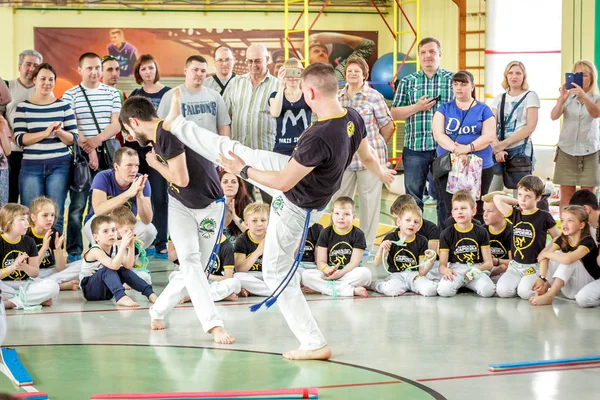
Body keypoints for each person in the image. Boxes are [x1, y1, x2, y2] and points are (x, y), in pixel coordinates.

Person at [133, 62, 395, 360]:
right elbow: (367, 154)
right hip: (299, 178)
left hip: (296, 200)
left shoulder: (318, 136)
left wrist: (242, 170)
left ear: (309, 92)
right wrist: (381, 172)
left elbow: (283, 183)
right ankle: (178, 123)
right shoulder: (352, 116)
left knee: (275, 273)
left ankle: (313, 343)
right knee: (231, 148)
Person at [119, 97, 235, 344]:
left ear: (134, 122)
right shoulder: (163, 133)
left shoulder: (166, 134)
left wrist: (153, 164)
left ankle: (158, 310)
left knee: (196, 269)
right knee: (191, 263)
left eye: (128, 130)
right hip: (181, 205)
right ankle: (214, 324)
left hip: (210, 206)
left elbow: (180, 178)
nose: (129, 137)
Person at [62, 52, 122, 262]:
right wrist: (90, 149)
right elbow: (72, 125)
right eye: (89, 68)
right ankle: (75, 251)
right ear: (80, 70)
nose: (95, 72)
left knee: (105, 205)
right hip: (81, 152)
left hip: (107, 150)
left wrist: (96, 143)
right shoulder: (70, 95)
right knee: (78, 205)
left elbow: (116, 124)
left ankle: (104, 248)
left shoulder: (112, 93)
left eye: (98, 67)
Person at [391, 38, 454, 224]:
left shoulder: (452, 80)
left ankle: (444, 241)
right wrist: (417, 107)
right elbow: (394, 113)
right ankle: (414, 239)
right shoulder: (408, 82)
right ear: (419, 56)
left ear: (440, 54)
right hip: (415, 147)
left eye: (432, 52)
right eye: (423, 52)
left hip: (444, 149)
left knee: (445, 197)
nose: (428, 56)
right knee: (413, 198)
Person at [334, 56, 393, 250]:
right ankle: (341, 242)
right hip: (344, 160)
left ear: (364, 74)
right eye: (349, 70)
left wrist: (374, 147)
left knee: (370, 204)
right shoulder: (338, 97)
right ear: (345, 74)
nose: (352, 74)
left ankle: (365, 246)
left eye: (357, 71)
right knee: (341, 201)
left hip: (370, 160)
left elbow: (387, 126)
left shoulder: (374, 97)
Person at [12, 63, 76, 233]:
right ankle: (33, 254)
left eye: (51, 79)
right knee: (30, 213)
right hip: (31, 167)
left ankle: (53, 253)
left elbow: (73, 139)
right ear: (34, 80)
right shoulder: (23, 107)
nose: (47, 83)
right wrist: (46, 132)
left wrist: (60, 132)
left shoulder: (63, 106)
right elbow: (20, 139)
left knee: (56, 213)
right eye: (43, 79)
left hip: (60, 166)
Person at [432, 70, 496, 223]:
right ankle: (449, 243)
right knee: (449, 207)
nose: (459, 88)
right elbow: (439, 135)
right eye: (456, 84)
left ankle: (477, 242)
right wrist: (457, 151)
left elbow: (488, 136)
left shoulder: (484, 110)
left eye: (463, 84)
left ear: (472, 86)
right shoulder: (443, 109)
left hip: (480, 165)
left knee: (477, 207)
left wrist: (467, 149)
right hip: (449, 164)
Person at [222, 44, 279, 203]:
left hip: (266, 157)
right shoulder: (235, 84)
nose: (253, 65)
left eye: (258, 61)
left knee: (272, 202)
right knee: (242, 203)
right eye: (250, 61)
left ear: (267, 59)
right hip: (239, 157)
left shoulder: (278, 86)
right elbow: (223, 117)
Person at [130, 54, 171, 258]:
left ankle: (161, 240)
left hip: (160, 151)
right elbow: (128, 123)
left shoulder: (168, 94)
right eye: (143, 69)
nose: (148, 72)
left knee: (159, 197)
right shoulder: (135, 94)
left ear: (156, 69)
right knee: (138, 196)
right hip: (139, 152)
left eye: (151, 68)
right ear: (138, 73)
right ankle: (141, 240)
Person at [493, 175, 560, 299]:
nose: (523, 199)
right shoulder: (514, 214)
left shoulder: (544, 216)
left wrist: (546, 251)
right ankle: (521, 283)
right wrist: (517, 202)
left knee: (524, 293)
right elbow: (497, 198)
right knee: (502, 291)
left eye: (527, 196)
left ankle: (543, 283)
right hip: (515, 266)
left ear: (538, 198)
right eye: (520, 195)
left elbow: (558, 237)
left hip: (534, 266)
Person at [83, 147, 155, 249]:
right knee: (102, 229)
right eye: (129, 165)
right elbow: (99, 211)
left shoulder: (141, 180)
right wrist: (129, 193)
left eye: (136, 165)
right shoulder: (103, 177)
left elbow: (147, 220)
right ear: (116, 166)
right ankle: (104, 255)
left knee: (149, 230)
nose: (134, 170)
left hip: (126, 224)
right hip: (101, 221)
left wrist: (140, 197)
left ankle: (129, 256)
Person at [551, 60, 600, 211]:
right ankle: (566, 232)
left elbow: (596, 113)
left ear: (592, 77)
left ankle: (590, 232)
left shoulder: (596, 97)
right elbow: (553, 116)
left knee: (588, 198)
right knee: (566, 198)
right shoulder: (567, 98)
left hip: (589, 151)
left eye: (584, 75)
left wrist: (584, 97)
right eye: (576, 74)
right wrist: (561, 99)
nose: (580, 78)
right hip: (566, 150)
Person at [79, 215, 157, 307]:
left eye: (113, 230)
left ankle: (150, 293)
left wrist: (131, 246)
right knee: (109, 269)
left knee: (123, 270)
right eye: (105, 231)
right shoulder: (95, 250)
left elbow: (128, 265)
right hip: (89, 290)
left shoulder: (115, 248)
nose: (111, 234)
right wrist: (123, 246)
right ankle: (121, 297)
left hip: (106, 290)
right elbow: (113, 266)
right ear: (96, 237)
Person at [530, 205, 600, 306]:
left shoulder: (587, 241)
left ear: (581, 225)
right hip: (570, 289)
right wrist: (542, 278)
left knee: (568, 259)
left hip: (586, 284)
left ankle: (550, 295)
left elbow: (568, 259)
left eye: (570, 221)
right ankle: (546, 287)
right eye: (562, 220)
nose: (564, 224)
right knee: (556, 255)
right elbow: (542, 257)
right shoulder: (563, 239)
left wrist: (546, 253)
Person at [301, 197, 371, 297]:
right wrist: (327, 269)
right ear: (332, 215)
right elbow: (320, 261)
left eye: (346, 214)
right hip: (328, 273)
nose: (341, 217)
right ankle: (350, 291)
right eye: (337, 213)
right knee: (305, 276)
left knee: (365, 274)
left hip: (348, 272)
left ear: (354, 216)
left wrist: (339, 274)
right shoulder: (325, 233)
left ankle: (323, 288)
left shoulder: (358, 234)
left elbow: (354, 262)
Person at [489, 61, 540, 193]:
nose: (514, 76)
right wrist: (497, 148)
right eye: (510, 73)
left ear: (524, 76)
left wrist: (504, 144)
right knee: (492, 194)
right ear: (506, 76)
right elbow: (490, 125)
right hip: (498, 150)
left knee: (522, 195)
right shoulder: (500, 98)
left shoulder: (530, 96)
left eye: (518, 73)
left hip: (520, 150)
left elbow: (530, 126)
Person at [1, 49, 43, 203]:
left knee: (32, 200)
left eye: (35, 65)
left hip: (35, 154)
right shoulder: (7, 86)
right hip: (11, 153)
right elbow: (2, 119)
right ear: (19, 67)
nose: (31, 69)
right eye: (28, 64)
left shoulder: (43, 90)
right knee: (10, 198)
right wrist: (16, 140)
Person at [436, 190, 496, 297]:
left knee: (488, 291)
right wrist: (447, 271)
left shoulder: (481, 232)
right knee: (444, 290)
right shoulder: (446, 233)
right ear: (452, 213)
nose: (459, 212)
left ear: (473, 211)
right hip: (456, 269)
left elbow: (489, 263)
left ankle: (469, 284)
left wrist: (477, 270)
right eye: (456, 209)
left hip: (475, 268)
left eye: (463, 208)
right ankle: (461, 284)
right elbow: (442, 266)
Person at [0, 203, 59, 310]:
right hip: (3, 285)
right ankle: (33, 299)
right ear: (9, 222)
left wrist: (24, 266)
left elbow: (35, 273)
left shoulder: (29, 241)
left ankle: (11, 303)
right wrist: (13, 267)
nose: (27, 223)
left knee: (53, 286)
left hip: (25, 285)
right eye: (22, 220)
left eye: (27, 219)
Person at [372, 203, 437, 297]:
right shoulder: (391, 237)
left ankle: (411, 286)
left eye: (416, 222)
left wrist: (430, 260)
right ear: (398, 222)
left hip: (414, 275)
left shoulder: (422, 241)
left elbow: (422, 272)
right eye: (408, 220)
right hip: (396, 275)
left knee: (430, 290)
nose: (412, 224)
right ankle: (375, 284)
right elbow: (376, 263)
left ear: (419, 227)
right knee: (391, 290)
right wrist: (382, 249)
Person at [158, 55, 230, 137]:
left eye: (203, 71)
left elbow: (224, 126)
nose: (199, 73)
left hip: (209, 149)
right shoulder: (171, 96)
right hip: (182, 149)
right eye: (195, 70)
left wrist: (224, 148)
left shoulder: (215, 96)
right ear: (185, 71)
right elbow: (160, 127)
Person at [26, 197, 81, 291]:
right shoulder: (26, 234)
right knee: (27, 280)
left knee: (82, 264)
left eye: (52, 215)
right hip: (34, 273)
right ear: (33, 217)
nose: (50, 219)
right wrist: (44, 248)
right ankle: (59, 286)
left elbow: (60, 268)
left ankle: (50, 284)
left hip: (51, 272)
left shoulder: (55, 233)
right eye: (45, 215)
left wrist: (58, 248)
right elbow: (32, 270)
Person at [170, 234, 242, 303]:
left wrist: (208, 276)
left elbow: (228, 277)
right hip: (195, 279)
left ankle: (191, 297)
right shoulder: (196, 241)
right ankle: (220, 296)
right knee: (173, 276)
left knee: (236, 283)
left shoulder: (227, 247)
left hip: (213, 282)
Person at [269, 58, 312, 157]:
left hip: (304, 148)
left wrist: (306, 80)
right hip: (281, 149)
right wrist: (281, 85)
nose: (292, 77)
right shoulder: (275, 95)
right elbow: (275, 112)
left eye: (296, 72)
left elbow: (318, 110)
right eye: (289, 72)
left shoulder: (307, 95)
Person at [234, 202, 271, 296]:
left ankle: (254, 291)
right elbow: (240, 269)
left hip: (269, 275)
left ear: (269, 222)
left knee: (295, 275)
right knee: (237, 277)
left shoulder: (272, 238)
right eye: (254, 221)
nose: (259, 224)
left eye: (263, 220)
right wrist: (258, 251)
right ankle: (275, 291)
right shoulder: (241, 240)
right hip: (251, 276)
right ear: (246, 223)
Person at [306, 32, 375, 82]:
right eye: (316, 51)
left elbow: (368, 46)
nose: (321, 53)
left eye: (324, 51)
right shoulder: (302, 79)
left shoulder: (341, 72)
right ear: (309, 59)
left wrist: (335, 38)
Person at [111, 205, 152, 285]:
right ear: (116, 229)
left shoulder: (135, 242)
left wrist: (131, 246)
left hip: (127, 270)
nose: (131, 233)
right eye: (126, 230)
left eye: (132, 229)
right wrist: (121, 245)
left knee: (145, 277)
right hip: (113, 272)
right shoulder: (111, 244)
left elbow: (131, 265)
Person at [481, 191, 512, 283]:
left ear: (503, 212)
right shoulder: (482, 231)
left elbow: (513, 262)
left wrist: (496, 261)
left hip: (505, 268)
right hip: (487, 267)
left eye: (489, 211)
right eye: (484, 210)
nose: (485, 215)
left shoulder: (511, 231)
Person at [220, 170, 252, 244]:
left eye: (233, 182)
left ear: (239, 185)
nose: (230, 185)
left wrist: (235, 218)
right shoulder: (212, 204)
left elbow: (253, 234)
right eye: (225, 182)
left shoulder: (248, 204)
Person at [0, 116, 12, 206]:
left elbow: (8, 151)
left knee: (2, 206)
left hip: (2, 169)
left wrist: (2, 130)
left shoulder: (2, 121)